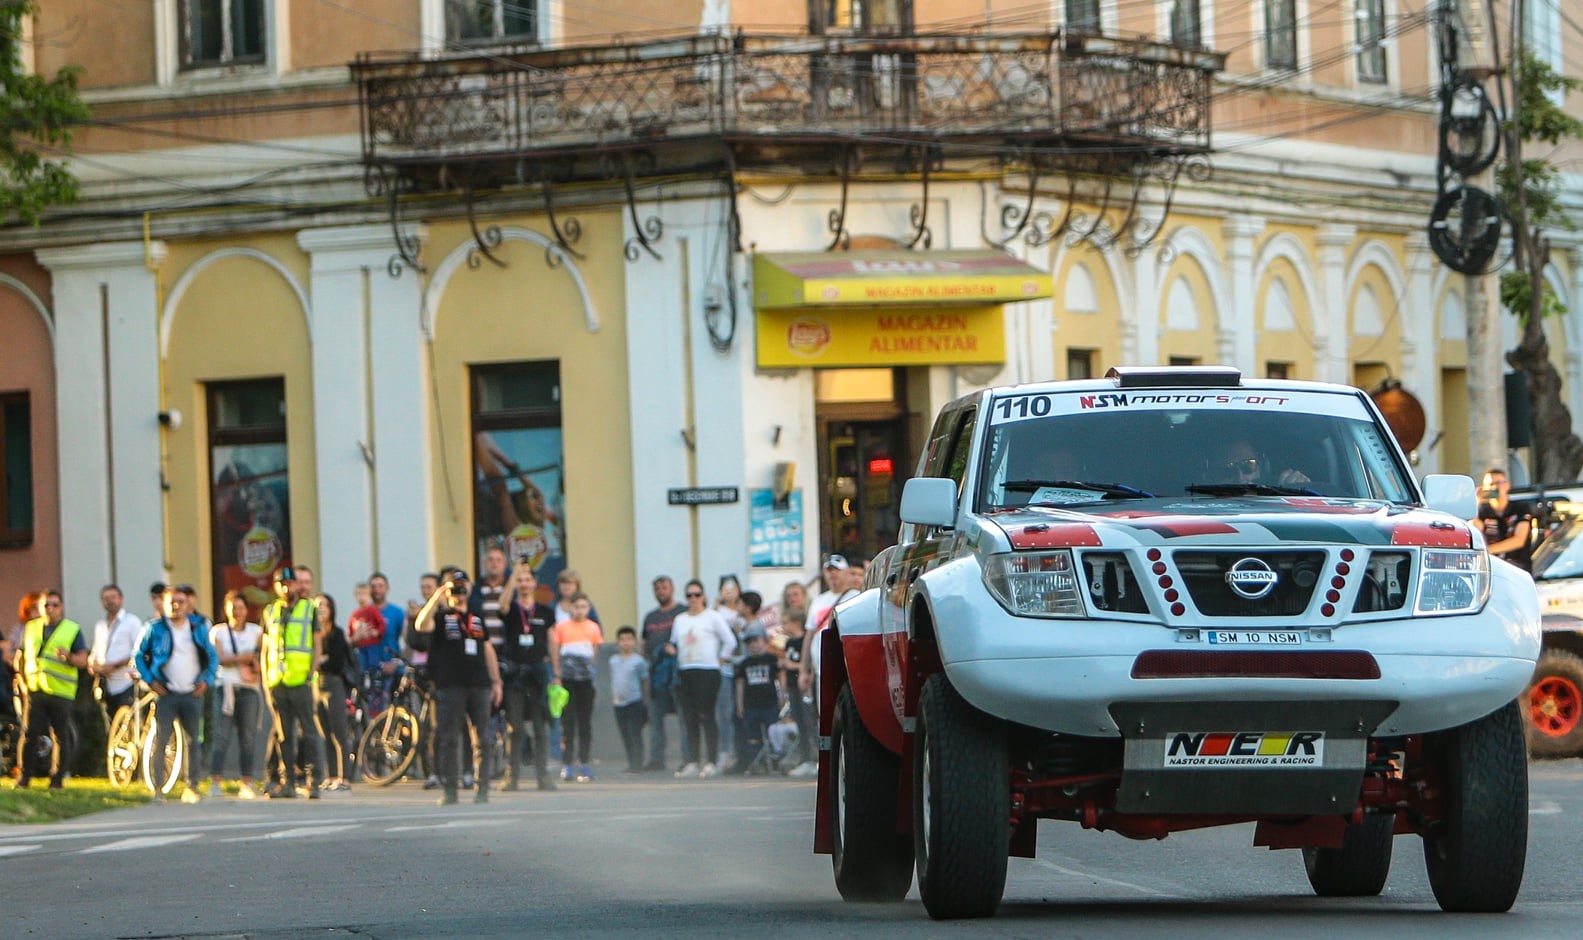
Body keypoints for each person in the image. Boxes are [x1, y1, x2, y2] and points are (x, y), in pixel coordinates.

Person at [414, 567, 503, 805]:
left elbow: (487, 648)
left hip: (479, 684)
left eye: (463, 589)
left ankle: (482, 788)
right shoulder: (442, 618)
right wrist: (438, 596)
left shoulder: (476, 618)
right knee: (449, 739)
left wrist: (496, 681)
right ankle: (450, 790)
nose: (459, 594)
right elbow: (421, 625)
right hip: (450, 686)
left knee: (482, 738)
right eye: (455, 589)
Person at [135, 585, 219, 802]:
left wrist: (206, 681)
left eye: (181, 602)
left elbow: (212, 657)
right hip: (166, 692)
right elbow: (138, 655)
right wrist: (151, 680)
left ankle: (192, 786)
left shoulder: (197, 628)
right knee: (161, 739)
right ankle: (158, 789)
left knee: (194, 740)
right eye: (172, 602)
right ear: (163, 604)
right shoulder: (154, 628)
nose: (176, 606)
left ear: (187, 604)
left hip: (192, 692)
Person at [261, 566, 326, 799]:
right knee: (284, 735)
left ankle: (314, 781)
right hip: (278, 682)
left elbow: (317, 644)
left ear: (298, 585)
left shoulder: (309, 609)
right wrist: (266, 679)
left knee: (309, 732)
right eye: (282, 584)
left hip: (302, 681)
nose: (287, 588)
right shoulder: (271, 611)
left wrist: (311, 673)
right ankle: (287, 782)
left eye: (291, 583)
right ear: (276, 587)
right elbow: (266, 647)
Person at [17, 591, 88, 789]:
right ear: (39, 607)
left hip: (61, 692)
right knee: (30, 734)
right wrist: (22, 682)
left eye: (54, 605)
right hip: (35, 690)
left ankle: (57, 779)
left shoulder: (72, 629)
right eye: (46, 605)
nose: (50, 609)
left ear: (61, 607)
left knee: (61, 736)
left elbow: (83, 660)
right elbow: (21, 657)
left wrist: (69, 657)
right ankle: (24, 777)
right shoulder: (31, 628)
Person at [668, 580, 737, 779]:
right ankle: (692, 761)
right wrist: (672, 650)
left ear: (704, 596)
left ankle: (711, 761)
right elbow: (674, 642)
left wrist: (722, 658)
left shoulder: (712, 617)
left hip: (707, 670)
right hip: (686, 670)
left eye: (697, 594)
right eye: (689, 595)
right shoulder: (680, 619)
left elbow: (730, 640)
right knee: (689, 717)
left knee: (706, 715)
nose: (693, 599)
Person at [499, 562, 558, 791]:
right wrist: (512, 576)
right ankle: (511, 776)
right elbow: (502, 606)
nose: (524, 584)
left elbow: (553, 641)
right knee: (516, 728)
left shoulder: (545, 612)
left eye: (527, 580)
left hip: (537, 675)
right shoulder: (512, 609)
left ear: (534, 583)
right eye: (520, 581)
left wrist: (557, 673)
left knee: (540, 728)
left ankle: (543, 776)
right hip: (515, 676)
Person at [208, 589, 263, 798]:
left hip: (249, 689)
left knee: (247, 737)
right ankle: (215, 781)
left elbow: (259, 659)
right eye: (234, 608)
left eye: (241, 608)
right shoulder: (218, 632)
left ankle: (247, 782)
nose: (237, 612)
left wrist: (245, 659)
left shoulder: (256, 631)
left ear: (247, 610)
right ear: (226, 610)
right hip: (226, 687)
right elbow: (219, 658)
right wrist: (245, 657)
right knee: (221, 736)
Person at [553, 593, 603, 782]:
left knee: (585, 723)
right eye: (576, 607)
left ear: (588, 609)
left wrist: (589, 673)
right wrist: (557, 675)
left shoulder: (593, 628)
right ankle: (567, 764)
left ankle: (584, 763)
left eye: (583, 607)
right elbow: (556, 653)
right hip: (567, 680)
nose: (580, 610)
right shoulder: (562, 627)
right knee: (568, 724)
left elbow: (594, 654)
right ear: (570, 608)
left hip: (586, 682)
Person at [641, 575, 687, 772]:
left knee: (684, 717)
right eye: (657, 589)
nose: (661, 592)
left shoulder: (682, 612)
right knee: (655, 717)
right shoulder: (650, 617)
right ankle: (656, 759)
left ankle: (688, 758)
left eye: (664, 588)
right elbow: (644, 643)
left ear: (672, 588)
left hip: (678, 673)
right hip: (657, 674)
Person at [314, 594, 356, 791]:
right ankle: (330, 775)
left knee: (339, 732)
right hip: (316, 685)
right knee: (325, 733)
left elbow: (336, 661)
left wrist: (320, 659)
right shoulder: (312, 633)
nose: (321, 608)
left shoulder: (336, 633)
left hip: (333, 684)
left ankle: (344, 777)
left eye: (325, 605)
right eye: (318, 605)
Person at [89, 584, 143, 722]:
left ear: (121, 599)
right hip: (107, 684)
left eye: (113, 597)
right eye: (106, 598)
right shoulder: (100, 625)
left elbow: (139, 651)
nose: (110, 601)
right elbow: (95, 653)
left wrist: (115, 666)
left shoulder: (132, 622)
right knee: (112, 725)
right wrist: (95, 666)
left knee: (129, 723)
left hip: (126, 682)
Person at [730, 626, 780, 774]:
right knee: (753, 737)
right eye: (750, 642)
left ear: (764, 641)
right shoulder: (745, 663)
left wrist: (781, 697)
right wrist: (740, 704)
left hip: (770, 703)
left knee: (773, 735)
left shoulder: (771, 659)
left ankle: (774, 764)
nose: (754, 645)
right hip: (751, 705)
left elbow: (779, 679)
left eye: (756, 641)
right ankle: (756, 764)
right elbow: (740, 684)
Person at [778, 607, 817, 776]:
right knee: (800, 722)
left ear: (795, 622)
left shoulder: (804, 642)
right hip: (792, 686)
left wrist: (792, 665)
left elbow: (807, 663)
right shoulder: (789, 643)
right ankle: (805, 757)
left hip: (804, 685)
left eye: (786, 622)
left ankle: (814, 758)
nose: (783, 626)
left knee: (809, 722)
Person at [1474, 468, 1535, 570]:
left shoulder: (1520, 508)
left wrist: (1487, 551)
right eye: (1491, 484)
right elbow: (1475, 532)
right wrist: (1477, 503)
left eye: (1499, 483)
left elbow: (1519, 540)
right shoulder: (1482, 511)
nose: (1495, 487)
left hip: (1518, 566)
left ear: (1507, 485)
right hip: (1492, 567)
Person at [609, 626, 648, 775]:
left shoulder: (639, 661)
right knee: (625, 734)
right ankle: (630, 762)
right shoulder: (613, 660)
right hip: (618, 703)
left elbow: (644, 681)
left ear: (635, 642)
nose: (626, 643)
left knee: (634, 733)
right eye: (622, 639)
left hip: (634, 701)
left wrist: (645, 701)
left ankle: (638, 763)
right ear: (617, 642)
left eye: (629, 639)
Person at [471, 545, 510, 649]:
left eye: (498, 560)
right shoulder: (475, 590)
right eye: (490, 560)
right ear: (485, 564)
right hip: (482, 649)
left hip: (506, 651)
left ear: (505, 564)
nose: (494, 563)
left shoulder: (510, 591)